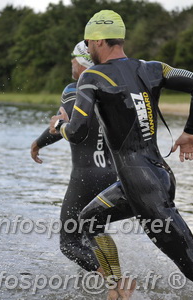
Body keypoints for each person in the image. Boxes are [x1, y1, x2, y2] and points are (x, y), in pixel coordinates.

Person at [50, 10, 193, 299]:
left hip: (145, 190)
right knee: (89, 221)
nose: (88, 49)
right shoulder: (152, 68)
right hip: (152, 178)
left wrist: (60, 125)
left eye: (88, 42)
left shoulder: (91, 77)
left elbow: (78, 131)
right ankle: (117, 287)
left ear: (97, 41)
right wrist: (190, 131)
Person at [31, 41, 134, 299]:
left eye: (74, 58)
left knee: (69, 243)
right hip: (114, 177)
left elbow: (63, 127)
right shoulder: (114, 87)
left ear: (84, 62)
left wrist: (37, 143)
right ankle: (109, 286)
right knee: (92, 232)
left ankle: (116, 285)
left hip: (85, 177)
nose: (71, 62)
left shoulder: (72, 90)